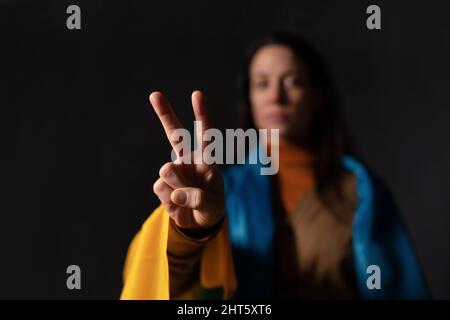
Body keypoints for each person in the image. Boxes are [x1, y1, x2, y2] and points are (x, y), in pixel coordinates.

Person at [120, 32, 430, 299]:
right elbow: (181, 290)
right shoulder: (220, 192)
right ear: (250, 99)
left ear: (317, 96)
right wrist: (192, 231)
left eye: (293, 81)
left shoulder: (361, 192)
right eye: (262, 84)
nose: (276, 96)